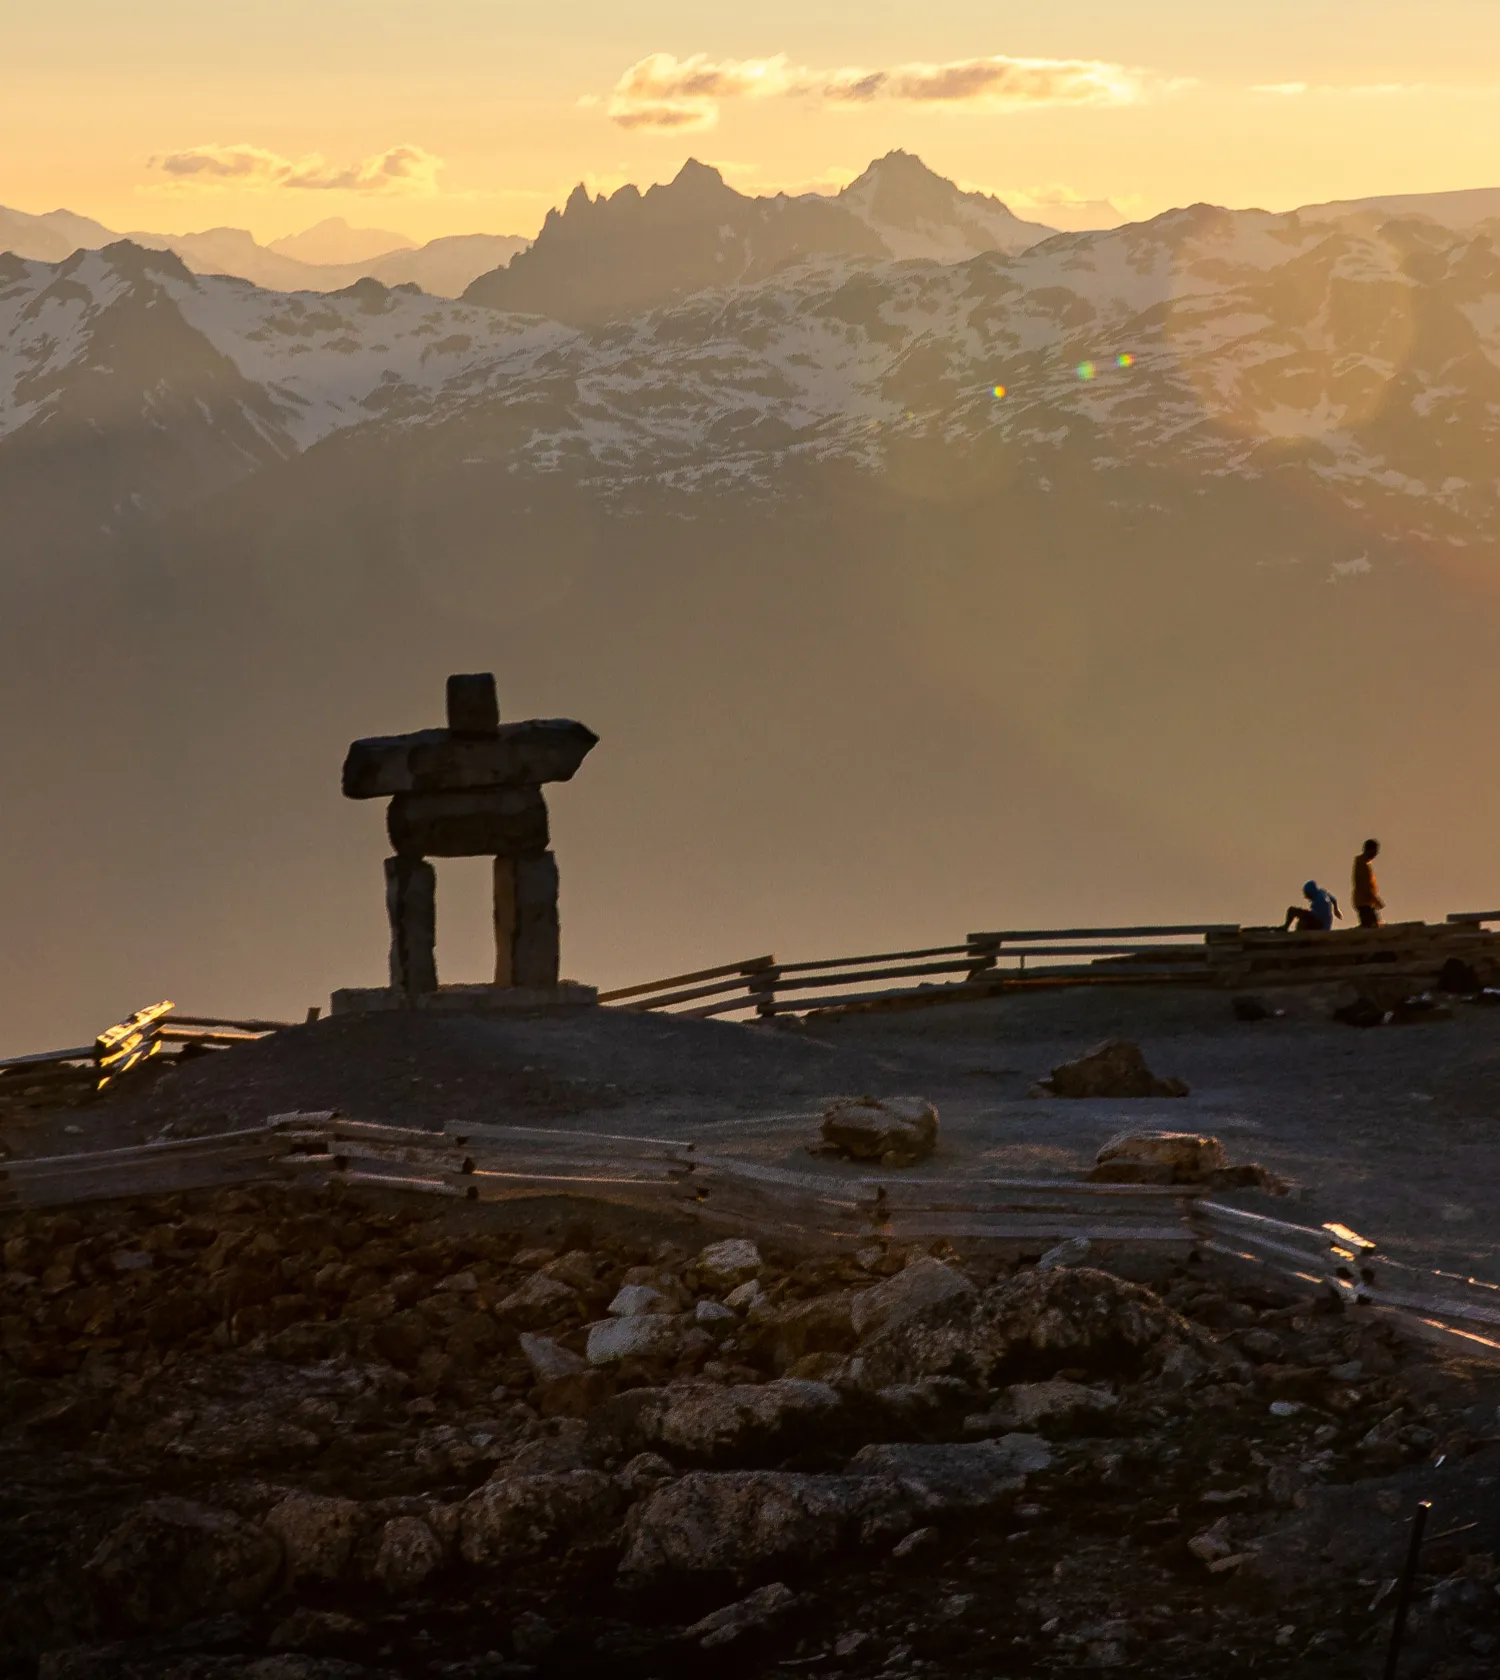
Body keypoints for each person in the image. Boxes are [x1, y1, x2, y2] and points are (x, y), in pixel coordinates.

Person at [1352, 838, 1384, 928]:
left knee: (1374, 924)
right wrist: (1376, 900)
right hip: (1364, 902)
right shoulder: (1362, 864)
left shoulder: (1365, 863)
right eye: (1375, 851)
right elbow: (1364, 886)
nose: (1376, 854)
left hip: (1368, 902)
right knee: (1370, 926)